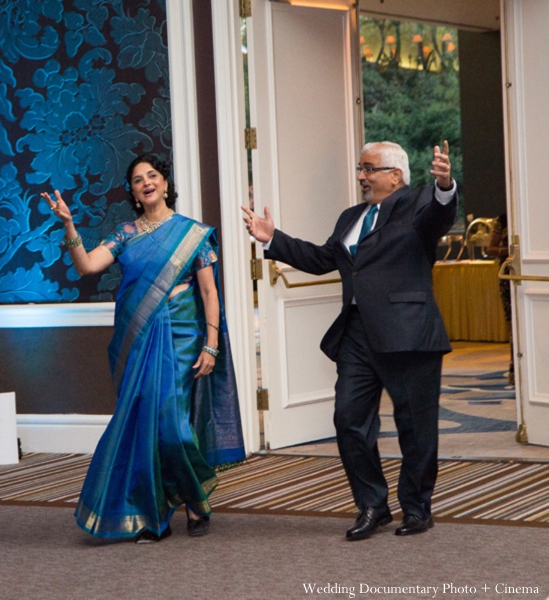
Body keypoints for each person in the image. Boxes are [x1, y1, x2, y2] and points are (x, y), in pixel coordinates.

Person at [242, 141, 457, 540]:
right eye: (360, 169)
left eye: (369, 169)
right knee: (349, 420)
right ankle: (373, 505)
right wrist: (273, 239)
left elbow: (440, 215)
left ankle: (416, 508)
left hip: (407, 332)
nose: (361, 176)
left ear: (396, 175)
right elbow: (324, 259)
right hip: (357, 333)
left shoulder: (418, 205)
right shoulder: (351, 217)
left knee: (416, 426)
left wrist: (445, 184)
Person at [42, 154, 245, 543]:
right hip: (138, 341)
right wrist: (68, 223)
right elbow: (87, 266)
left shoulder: (193, 234)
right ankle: (155, 514)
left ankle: (195, 497)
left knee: (174, 429)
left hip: (184, 339)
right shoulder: (125, 234)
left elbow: (209, 292)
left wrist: (212, 344)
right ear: (133, 193)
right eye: (138, 179)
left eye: (153, 175)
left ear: (165, 184)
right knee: (145, 427)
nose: (146, 182)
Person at [487, 213, 514, 385]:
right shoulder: (502, 220)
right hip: (508, 276)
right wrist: (509, 251)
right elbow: (491, 249)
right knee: (513, 322)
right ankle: (515, 366)